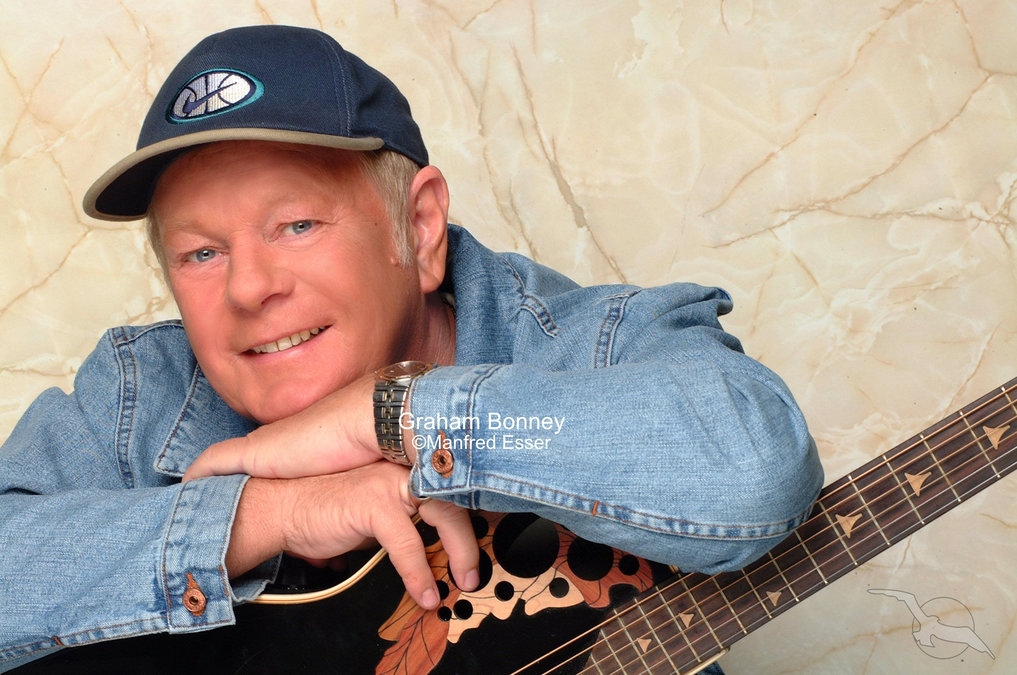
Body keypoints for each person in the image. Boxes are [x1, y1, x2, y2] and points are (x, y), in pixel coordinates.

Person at [0, 25, 823, 671]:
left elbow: (753, 469)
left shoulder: (592, 345)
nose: (248, 288)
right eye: (200, 252)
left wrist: (389, 413)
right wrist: (265, 514)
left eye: (296, 224)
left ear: (419, 227)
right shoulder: (139, 392)